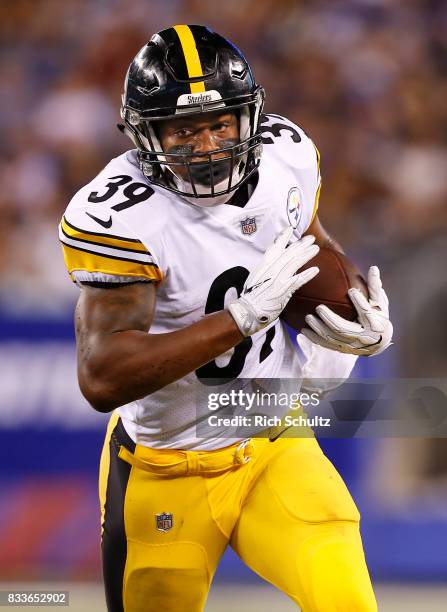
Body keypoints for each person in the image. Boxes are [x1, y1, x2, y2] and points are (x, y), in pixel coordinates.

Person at [59, 25, 392, 612]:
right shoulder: (121, 216)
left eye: (220, 124)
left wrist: (354, 314)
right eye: (184, 129)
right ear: (146, 135)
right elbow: (103, 378)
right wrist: (239, 319)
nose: (209, 145)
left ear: (249, 117)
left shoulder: (284, 157)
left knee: (347, 601)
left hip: (273, 441)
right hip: (166, 466)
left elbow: (307, 242)